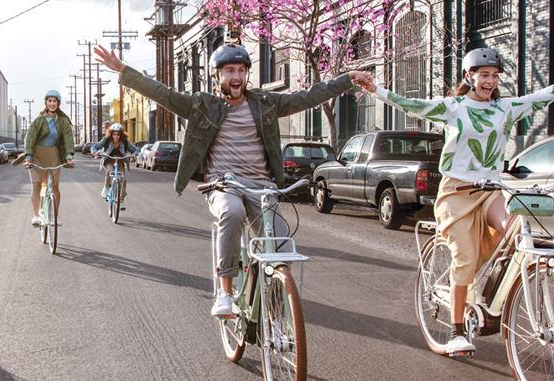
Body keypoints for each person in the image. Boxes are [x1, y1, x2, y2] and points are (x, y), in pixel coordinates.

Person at [95, 42, 372, 316]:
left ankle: (273, 302)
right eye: (229, 70)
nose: (236, 76)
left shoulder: (265, 103)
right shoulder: (203, 105)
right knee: (232, 211)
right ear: (218, 76)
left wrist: (346, 80)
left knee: (281, 243)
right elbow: (163, 94)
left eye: (241, 69)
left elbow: (308, 96)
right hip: (223, 185)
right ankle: (225, 292)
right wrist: (122, 69)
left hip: (261, 187)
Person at [356, 48, 554, 354]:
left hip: (491, 189)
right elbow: (413, 105)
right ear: (469, 77)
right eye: (484, 75)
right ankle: (455, 330)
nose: (490, 81)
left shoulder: (505, 108)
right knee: (464, 259)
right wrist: (377, 90)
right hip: (457, 191)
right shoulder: (454, 107)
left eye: (495, 76)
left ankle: (489, 292)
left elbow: (538, 99)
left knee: (515, 231)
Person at [21, 90, 75, 227]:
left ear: (58, 103)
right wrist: (28, 157)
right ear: (46, 102)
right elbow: (30, 138)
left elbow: (68, 139)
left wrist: (69, 157)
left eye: (54, 101)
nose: (52, 104)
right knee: (36, 185)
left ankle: (56, 216)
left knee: (55, 186)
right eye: (49, 101)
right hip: (37, 155)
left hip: (53, 155)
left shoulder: (63, 121)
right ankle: (36, 216)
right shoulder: (39, 120)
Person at [92, 123, 138, 210]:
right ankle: (106, 188)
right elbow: (96, 146)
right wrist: (95, 152)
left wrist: (134, 155)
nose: (116, 137)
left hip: (120, 161)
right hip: (109, 160)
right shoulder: (106, 140)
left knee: (122, 180)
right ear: (111, 134)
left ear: (121, 135)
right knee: (110, 171)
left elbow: (134, 149)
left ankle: (121, 201)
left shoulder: (125, 141)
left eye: (118, 135)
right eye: (114, 134)